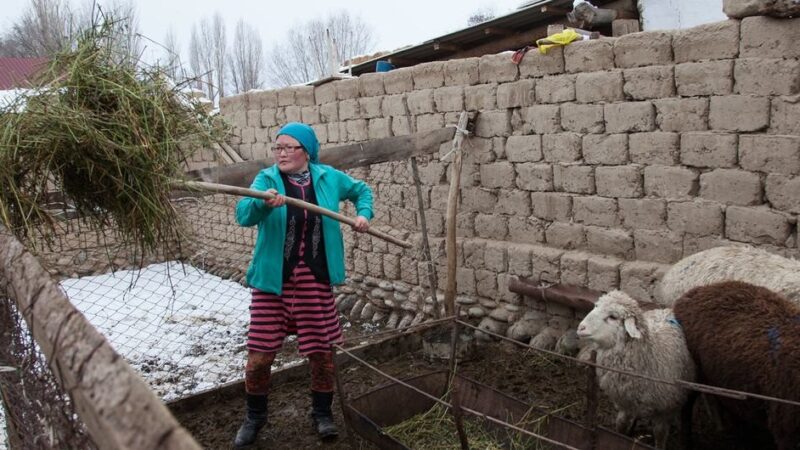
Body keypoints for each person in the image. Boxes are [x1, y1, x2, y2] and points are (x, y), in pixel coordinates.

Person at [233, 122, 373, 447]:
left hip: (314, 280)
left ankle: (322, 414)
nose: (281, 153)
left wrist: (363, 215)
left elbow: (361, 191)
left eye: (288, 147)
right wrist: (260, 203)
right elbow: (243, 215)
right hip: (273, 283)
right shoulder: (267, 180)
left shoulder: (327, 178)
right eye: (277, 147)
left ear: (305, 152)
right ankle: (255, 417)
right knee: (259, 358)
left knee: (322, 355)